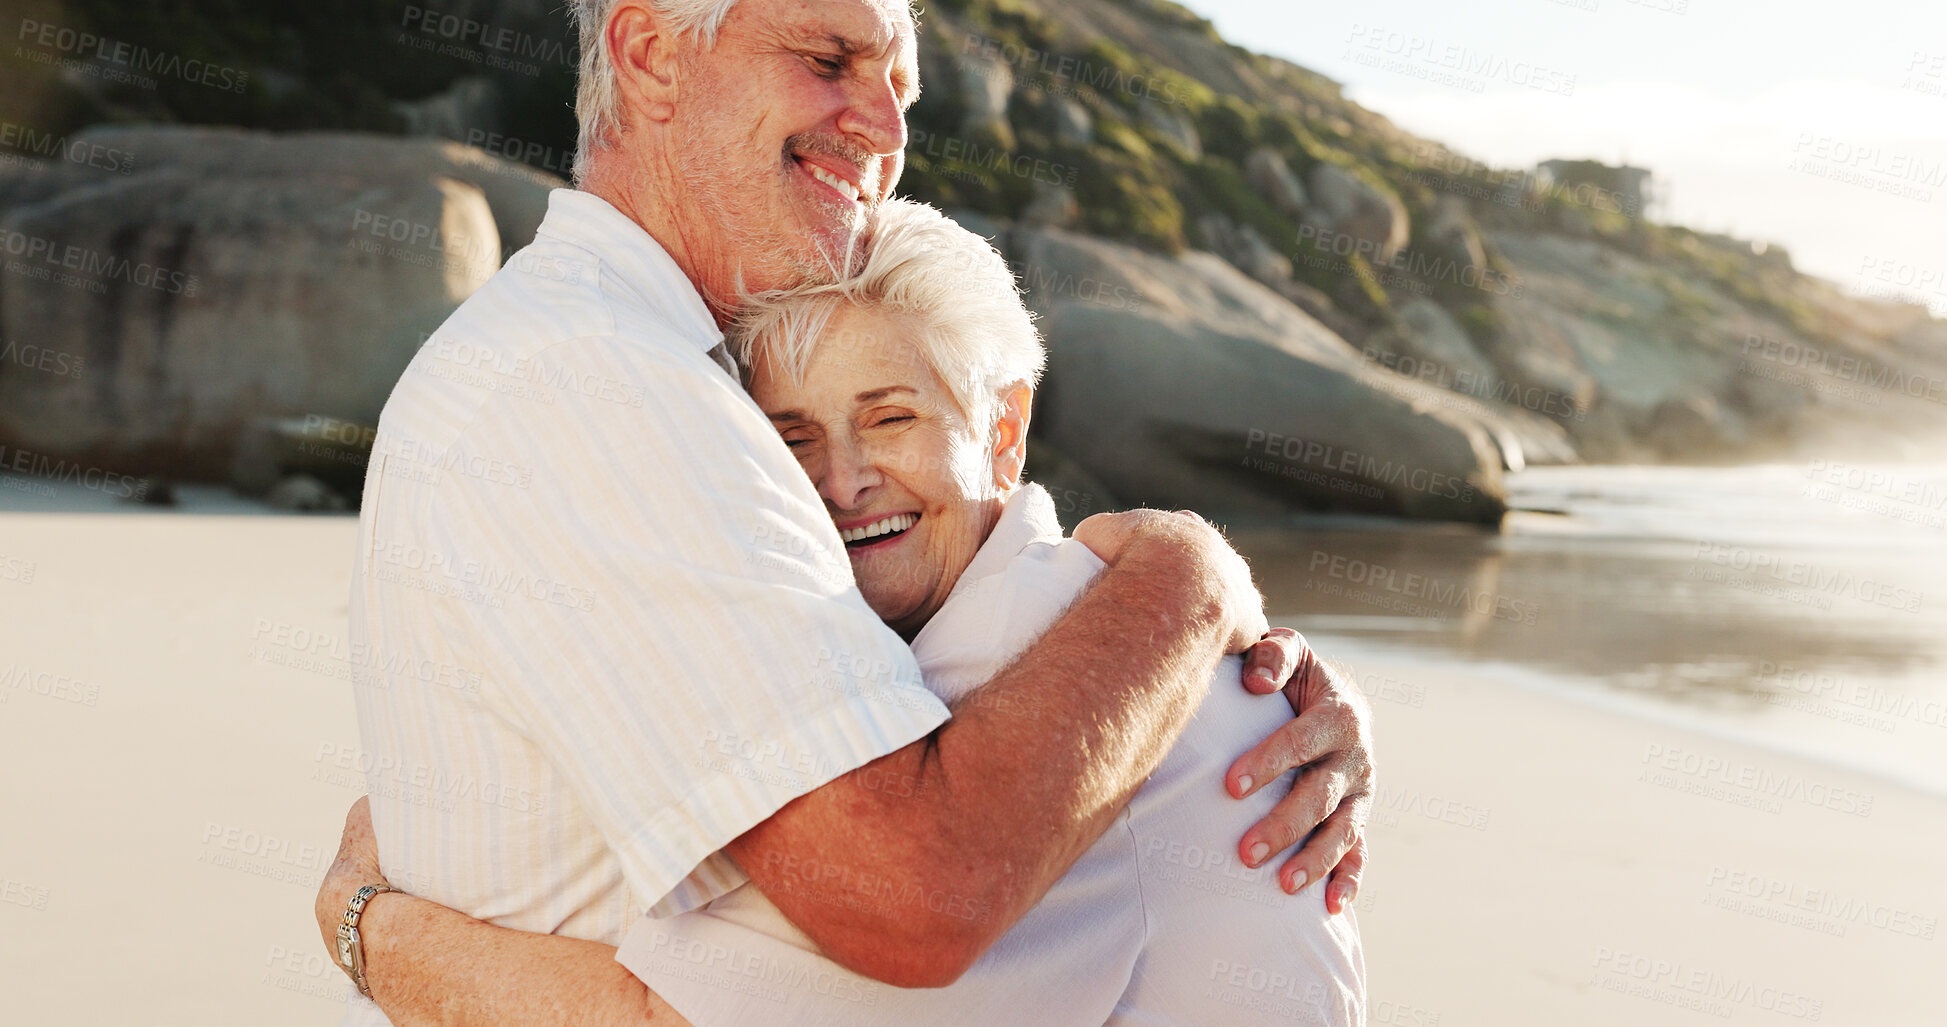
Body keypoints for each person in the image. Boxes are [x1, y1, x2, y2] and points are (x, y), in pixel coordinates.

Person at [316, 0, 1374, 1021]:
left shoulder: (563, 348)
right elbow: (914, 894)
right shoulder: (609, 381)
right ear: (648, 54)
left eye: (899, 88)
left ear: (1005, 429)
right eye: (827, 60)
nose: (887, 129)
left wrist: (372, 926)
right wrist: (1186, 581)